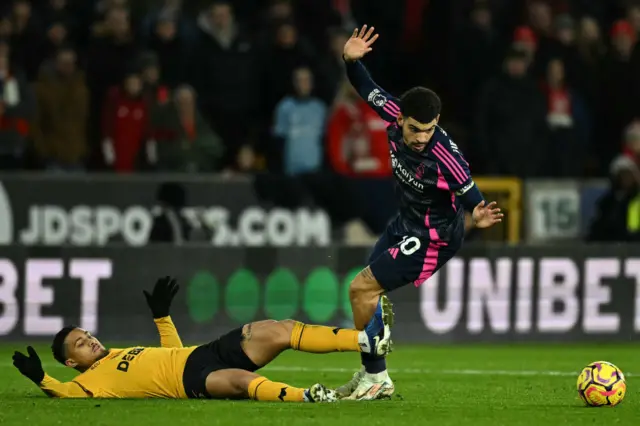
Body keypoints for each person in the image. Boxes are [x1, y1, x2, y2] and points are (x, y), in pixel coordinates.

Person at [337, 26, 503, 401]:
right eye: (415, 129)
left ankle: (377, 377)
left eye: (428, 130)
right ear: (400, 119)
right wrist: (350, 59)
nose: (421, 137)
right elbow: (365, 85)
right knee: (367, 294)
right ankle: (371, 373)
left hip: (435, 235)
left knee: (361, 288)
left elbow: (470, 194)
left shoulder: (446, 157)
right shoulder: (393, 111)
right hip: (406, 222)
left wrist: (478, 214)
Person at [12, 277, 391, 402]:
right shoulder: (87, 382)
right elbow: (64, 394)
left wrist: (162, 316)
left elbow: (173, 351)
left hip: (201, 353)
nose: (91, 340)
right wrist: (41, 379)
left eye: (87, 334)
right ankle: (309, 396)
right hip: (189, 382)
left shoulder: (120, 352)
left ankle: (365, 340)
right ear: (72, 362)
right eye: (81, 344)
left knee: (278, 328)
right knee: (241, 383)